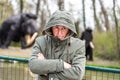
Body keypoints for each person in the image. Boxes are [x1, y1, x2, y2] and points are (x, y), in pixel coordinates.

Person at [29, 10, 86, 80]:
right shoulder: (41, 41)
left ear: (69, 29)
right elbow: (33, 65)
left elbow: (78, 74)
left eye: (64, 28)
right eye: (56, 28)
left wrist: (46, 71)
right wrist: (62, 65)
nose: (59, 33)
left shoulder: (78, 45)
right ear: (51, 27)